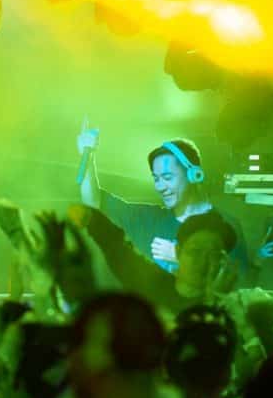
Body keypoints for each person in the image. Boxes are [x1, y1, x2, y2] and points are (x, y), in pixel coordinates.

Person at [77, 129, 248, 277]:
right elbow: (94, 201)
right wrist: (87, 153)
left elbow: (240, 282)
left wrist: (181, 258)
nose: (160, 187)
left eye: (167, 177)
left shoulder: (226, 225)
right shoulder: (147, 219)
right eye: (156, 179)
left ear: (194, 175)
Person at [71, 205, 238, 316]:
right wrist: (91, 218)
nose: (204, 261)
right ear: (178, 252)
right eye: (196, 251)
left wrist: (215, 298)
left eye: (215, 254)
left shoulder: (234, 309)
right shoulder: (153, 284)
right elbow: (117, 248)